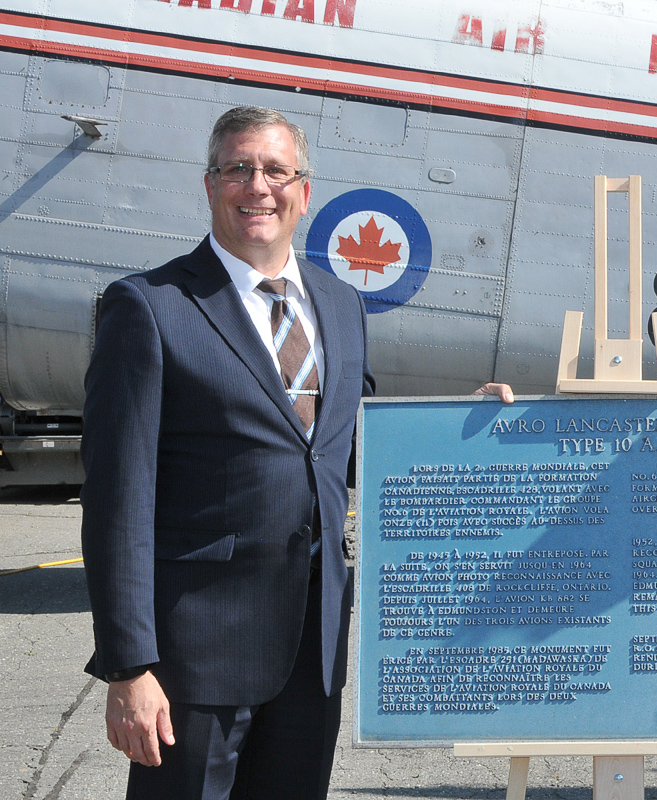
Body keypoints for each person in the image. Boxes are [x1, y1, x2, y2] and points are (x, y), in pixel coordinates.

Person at [80, 105, 512, 799]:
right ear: (209, 184)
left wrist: (459, 423)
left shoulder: (341, 305)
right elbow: (116, 500)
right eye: (238, 169)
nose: (258, 186)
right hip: (194, 660)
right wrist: (130, 668)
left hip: (312, 653)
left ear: (303, 192)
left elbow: (346, 450)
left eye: (276, 170)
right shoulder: (151, 306)